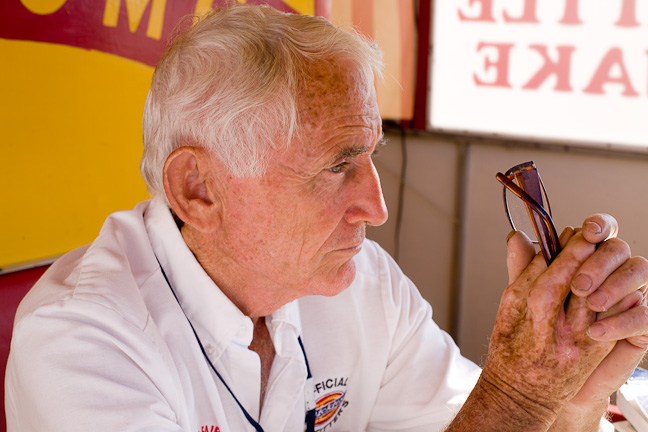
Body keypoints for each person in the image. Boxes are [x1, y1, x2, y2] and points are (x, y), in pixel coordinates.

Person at [5, 5, 648, 431]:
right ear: (198, 190)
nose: (377, 208)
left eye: (371, 157)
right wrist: (521, 394)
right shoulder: (79, 343)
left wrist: (572, 402)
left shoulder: (362, 280)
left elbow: (466, 422)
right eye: (338, 165)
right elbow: (499, 414)